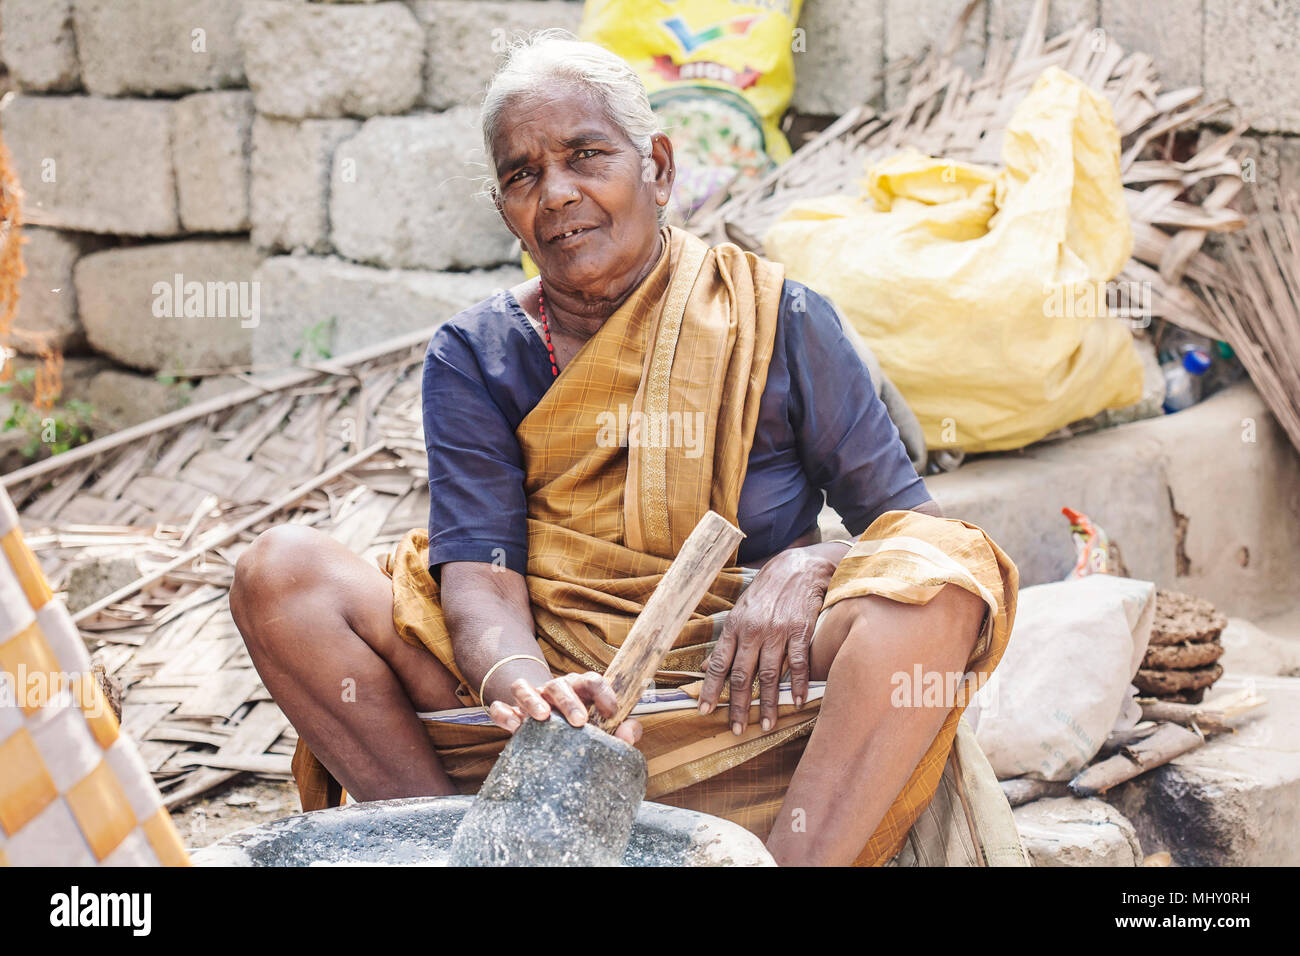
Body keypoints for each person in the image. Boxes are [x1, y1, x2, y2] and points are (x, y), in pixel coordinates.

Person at [230, 31, 1018, 867]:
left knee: (938, 590)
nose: (558, 193)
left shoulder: (776, 319)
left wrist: (815, 565)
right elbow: (481, 576)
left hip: (734, 681)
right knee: (281, 576)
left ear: (660, 169)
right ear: (506, 211)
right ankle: (457, 849)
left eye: (586, 155)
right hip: (541, 702)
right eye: (523, 175)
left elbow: (912, 528)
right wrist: (522, 685)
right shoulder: (478, 351)